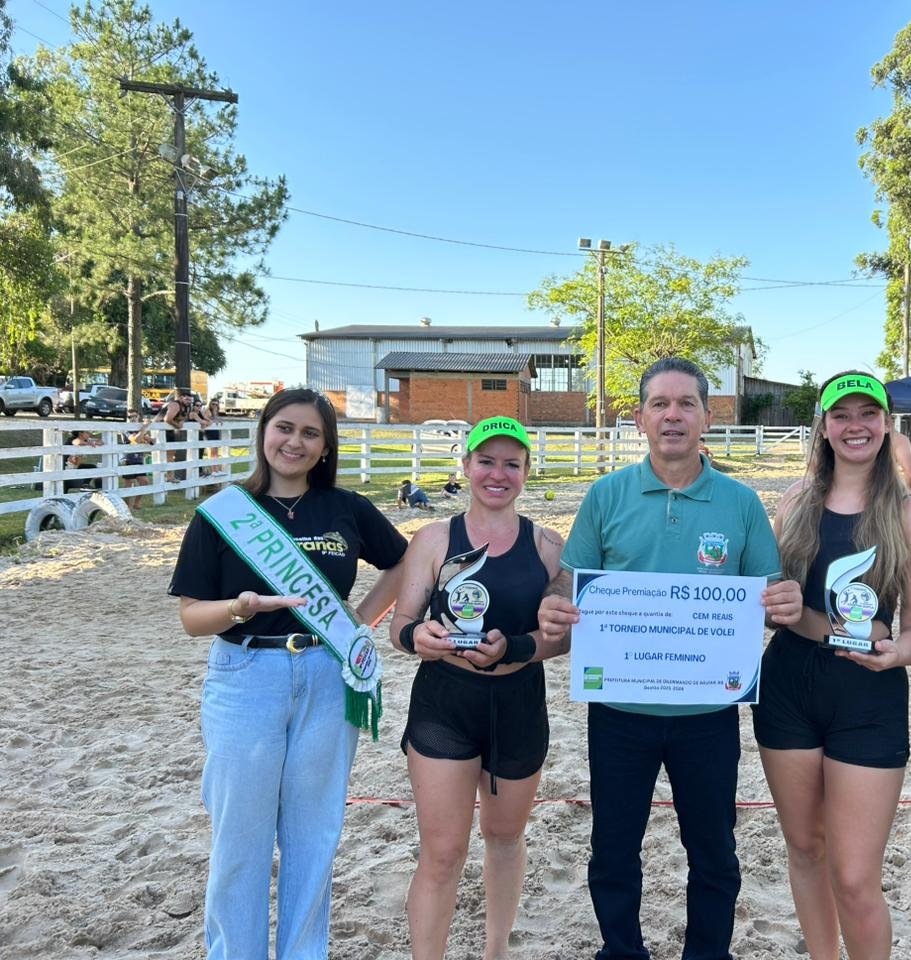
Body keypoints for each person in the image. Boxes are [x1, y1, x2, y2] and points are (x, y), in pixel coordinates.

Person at [538, 356, 803, 960]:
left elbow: (766, 595)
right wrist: (555, 603)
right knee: (613, 850)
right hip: (618, 709)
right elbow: (570, 581)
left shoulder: (740, 503)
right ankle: (621, 951)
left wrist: (782, 602)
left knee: (714, 853)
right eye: (660, 404)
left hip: (709, 713)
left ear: (708, 417)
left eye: (687, 404)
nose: (673, 416)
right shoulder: (606, 495)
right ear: (640, 418)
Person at [168, 387, 407, 960]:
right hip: (246, 674)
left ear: (325, 447)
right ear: (264, 432)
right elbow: (191, 618)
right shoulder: (223, 512)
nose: (294, 442)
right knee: (240, 839)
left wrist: (361, 619)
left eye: (310, 433)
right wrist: (239, 607)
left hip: (328, 676)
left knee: (313, 835)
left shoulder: (347, 508)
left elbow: (403, 562)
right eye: (284, 428)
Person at [753, 370, 911, 960]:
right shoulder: (795, 502)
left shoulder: (910, 516)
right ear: (824, 427)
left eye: (867, 414)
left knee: (856, 877)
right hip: (788, 689)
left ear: (886, 424)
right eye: (841, 415)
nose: (855, 426)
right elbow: (771, 603)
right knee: (806, 849)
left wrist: (895, 653)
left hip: (868, 695)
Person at [389, 416, 566, 960]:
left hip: (519, 706)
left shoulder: (547, 546)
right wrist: (418, 637)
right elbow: (401, 624)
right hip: (445, 705)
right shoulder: (434, 539)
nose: (497, 474)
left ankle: (496, 951)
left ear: (527, 472)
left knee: (505, 838)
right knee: (442, 852)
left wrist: (515, 648)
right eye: (486, 461)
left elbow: (563, 638)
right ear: (466, 466)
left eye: (512, 464)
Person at [122, 411, 156, 509]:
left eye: (135, 416)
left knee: (144, 482)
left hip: (139, 459)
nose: (132, 418)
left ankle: (136, 503)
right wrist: (144, 428)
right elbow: (135, 440)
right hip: (129, 459)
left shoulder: (139, 429)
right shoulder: (126, 429)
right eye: (130, 417)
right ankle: (126, 506)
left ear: (138, 417)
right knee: (129, 484)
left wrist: (146, 436)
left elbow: (152, 441)